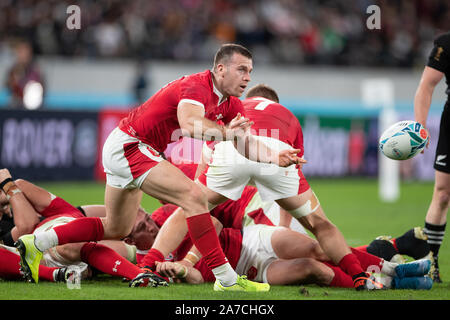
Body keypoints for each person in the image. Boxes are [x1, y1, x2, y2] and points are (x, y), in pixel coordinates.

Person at [14, 44, 301, 291]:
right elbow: (190, 124)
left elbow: (245, 143)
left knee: (116, 226)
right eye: (241, 70)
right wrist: (227, 133)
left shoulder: (232, 105)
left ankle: (36, 242)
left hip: (127, 146)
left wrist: (276, 157)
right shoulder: (196, 86)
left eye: (250, 71)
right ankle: (226, 278)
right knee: (194, 197)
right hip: (131, 145)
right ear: (221, 69)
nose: (247, 77)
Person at [144, 83, 388, 290]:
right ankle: (362, 275)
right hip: (272, 167)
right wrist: (284, 225)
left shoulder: (234, 109)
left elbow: (207, 158)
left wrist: (197, 198)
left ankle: (145, 267)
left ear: (247, 100)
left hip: (235, 161)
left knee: (191, 204)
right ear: (276, 103)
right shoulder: (286, 115)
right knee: (319, 229)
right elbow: (294, 167)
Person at [0, 168, 164, 287]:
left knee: (69, 244)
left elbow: (21, 186)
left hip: (63, 245)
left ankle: (140, 273)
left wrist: (8, 193)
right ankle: (55, 275)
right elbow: (27, 223)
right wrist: (7, 187)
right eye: (144, 224)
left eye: (147, 221)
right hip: (31, 255)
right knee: (70, 243)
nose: (151, 227)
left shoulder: (68, 213)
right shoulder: (8, 229)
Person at [414, 31, 450, 283]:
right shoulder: (446, 44)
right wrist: (420, 127)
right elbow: (427, 85)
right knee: (443, 192)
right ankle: (431, 260)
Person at [5, 39, 45, 109]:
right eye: (20, 52)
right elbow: (8, 87)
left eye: (25, 52)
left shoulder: (36, 70)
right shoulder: (13, 70)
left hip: (33, 104)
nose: (23, 55)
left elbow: (42, 88)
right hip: (16, 104)